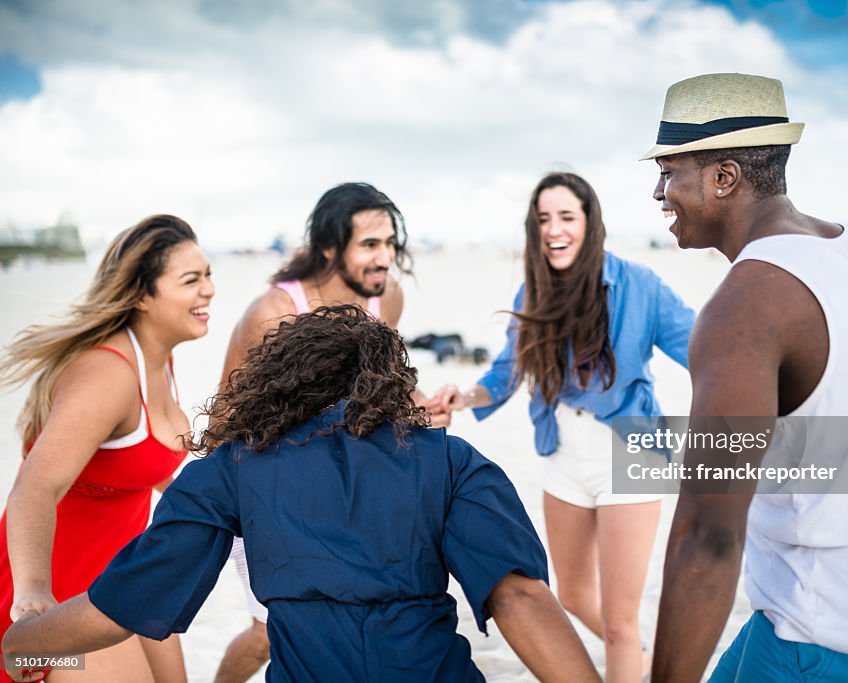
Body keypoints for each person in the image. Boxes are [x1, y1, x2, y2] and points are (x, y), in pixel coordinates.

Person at [2, 305, 601, 683]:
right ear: (387, 381)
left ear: (275, 385)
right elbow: (520, 597)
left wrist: (21, 644)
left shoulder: (234, 468)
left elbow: (122, 605)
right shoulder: (452, 461)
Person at [642, 73, 848, 681]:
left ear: (723, 179)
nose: (657, 191)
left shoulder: (744, 305)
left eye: (669, 171)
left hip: (841, 624)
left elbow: (708, 536)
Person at [433, 172, 696, 682]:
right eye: (543, 219)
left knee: (619, 620)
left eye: (566, 217)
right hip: (563, 456)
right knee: (573, 595)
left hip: (632, 450)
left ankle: (632, 655)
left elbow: (702, 349)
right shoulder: (533, 292)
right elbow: (506, 373)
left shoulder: (640, 285)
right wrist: (460, 398)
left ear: (589, 222)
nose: (554, 228)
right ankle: (640, 657)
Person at [214, 182, 447, 683]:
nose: (384, 258)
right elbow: (223, 425)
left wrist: (422, 410)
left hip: (350, 487)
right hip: (268, 490)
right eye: (369, 245)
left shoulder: (387, 300)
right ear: (327, 248)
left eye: (389, 243)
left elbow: (383, 391)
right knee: (269, 632)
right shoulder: (274, 314)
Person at [0, 215, 214, 683]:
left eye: (209, 275)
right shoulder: (108, 373)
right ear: (142, 295)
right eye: (191, 279)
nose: (209, 289)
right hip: (59, 598)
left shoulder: (158, 360)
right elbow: (33, 487)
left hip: (124, 581)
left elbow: (141, 466)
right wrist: (34, 594)